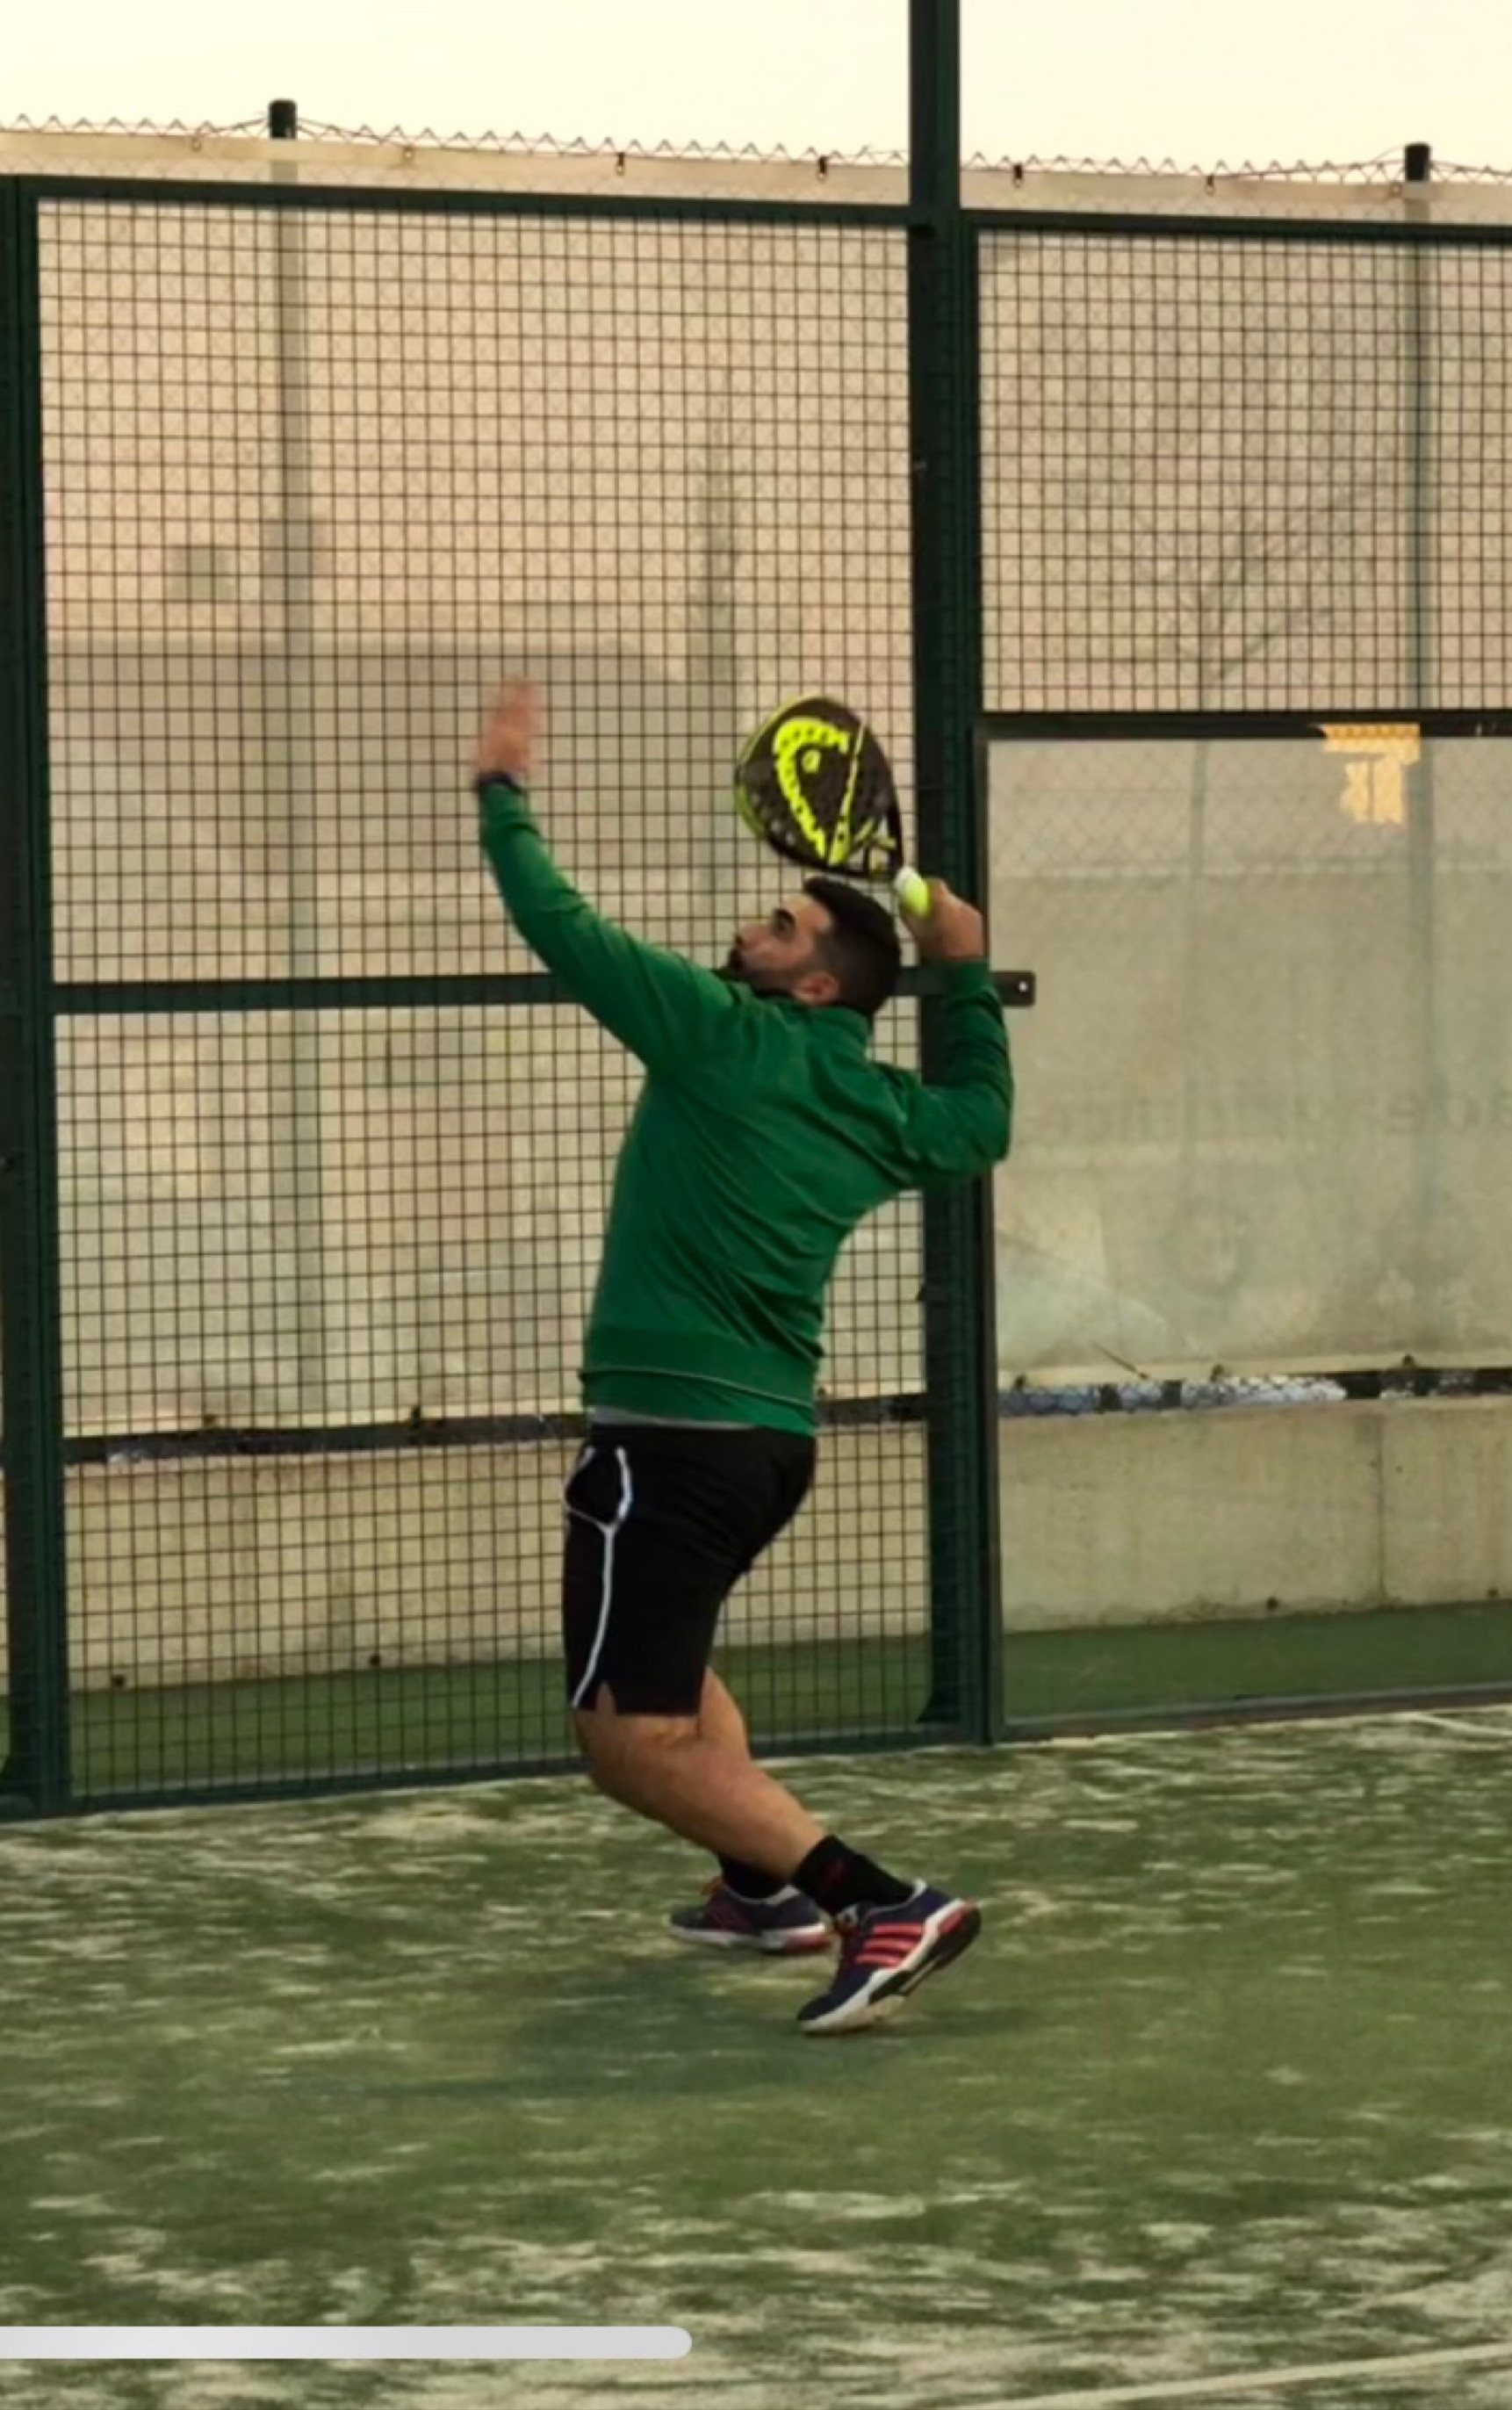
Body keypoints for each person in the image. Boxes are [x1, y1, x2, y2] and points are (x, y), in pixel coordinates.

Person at [475, 680, 1013, 2035]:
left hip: (669, 1445)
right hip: (764, 1452)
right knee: (675, 1673)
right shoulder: (881, 1104)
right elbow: (980, 1121)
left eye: (779, 925)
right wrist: (960, 967)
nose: (749, 930)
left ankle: (877, 1901)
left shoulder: (722, 1037)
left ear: (817, 981)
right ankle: (756, 1886)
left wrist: (501, 794)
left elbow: (561, 926)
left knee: (626, 1738)